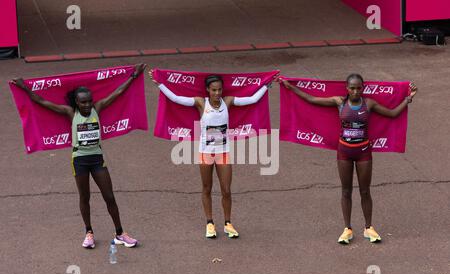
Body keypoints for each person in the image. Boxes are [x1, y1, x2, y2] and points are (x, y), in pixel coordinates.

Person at [12, 64, 147, 249]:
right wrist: (24, 87)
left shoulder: (97, 108)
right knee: (85, 197)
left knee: (109, 197)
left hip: (98, 159)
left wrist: (133, 76)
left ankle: (120, 234)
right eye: (83, 102)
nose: (87, 105)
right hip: (80, 161)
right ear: (76, 102)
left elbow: (117, 93)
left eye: (89, 101)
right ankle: (89, 233)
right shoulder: (70, 113)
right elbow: (41, 102)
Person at [281, 74, 417, 244]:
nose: (355, 91)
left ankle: (369, 228)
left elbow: (392, 113)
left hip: (364, 153)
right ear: (346, 88)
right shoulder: (339, 102)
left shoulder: (369, 104)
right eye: (352, 88)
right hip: (344, 152)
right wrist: (290, 87)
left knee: (365, 191)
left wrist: (408, 99)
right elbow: (311, 99)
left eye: (359, 88)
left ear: (363, 88)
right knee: (346, 191)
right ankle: (347, 229)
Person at [149, 70, 277, 239]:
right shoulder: (201, 103)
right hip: (205, 153)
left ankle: (228, 224)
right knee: (207, 188)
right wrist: (160, 84)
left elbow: (252, 99)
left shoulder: (228, 101)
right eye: (214, 90)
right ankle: (210, 223)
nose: (217, 93)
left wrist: (267, 85)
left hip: (223, 152)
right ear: (208, 90)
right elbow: (175, 98)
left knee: (226, 190)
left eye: (219, 90)